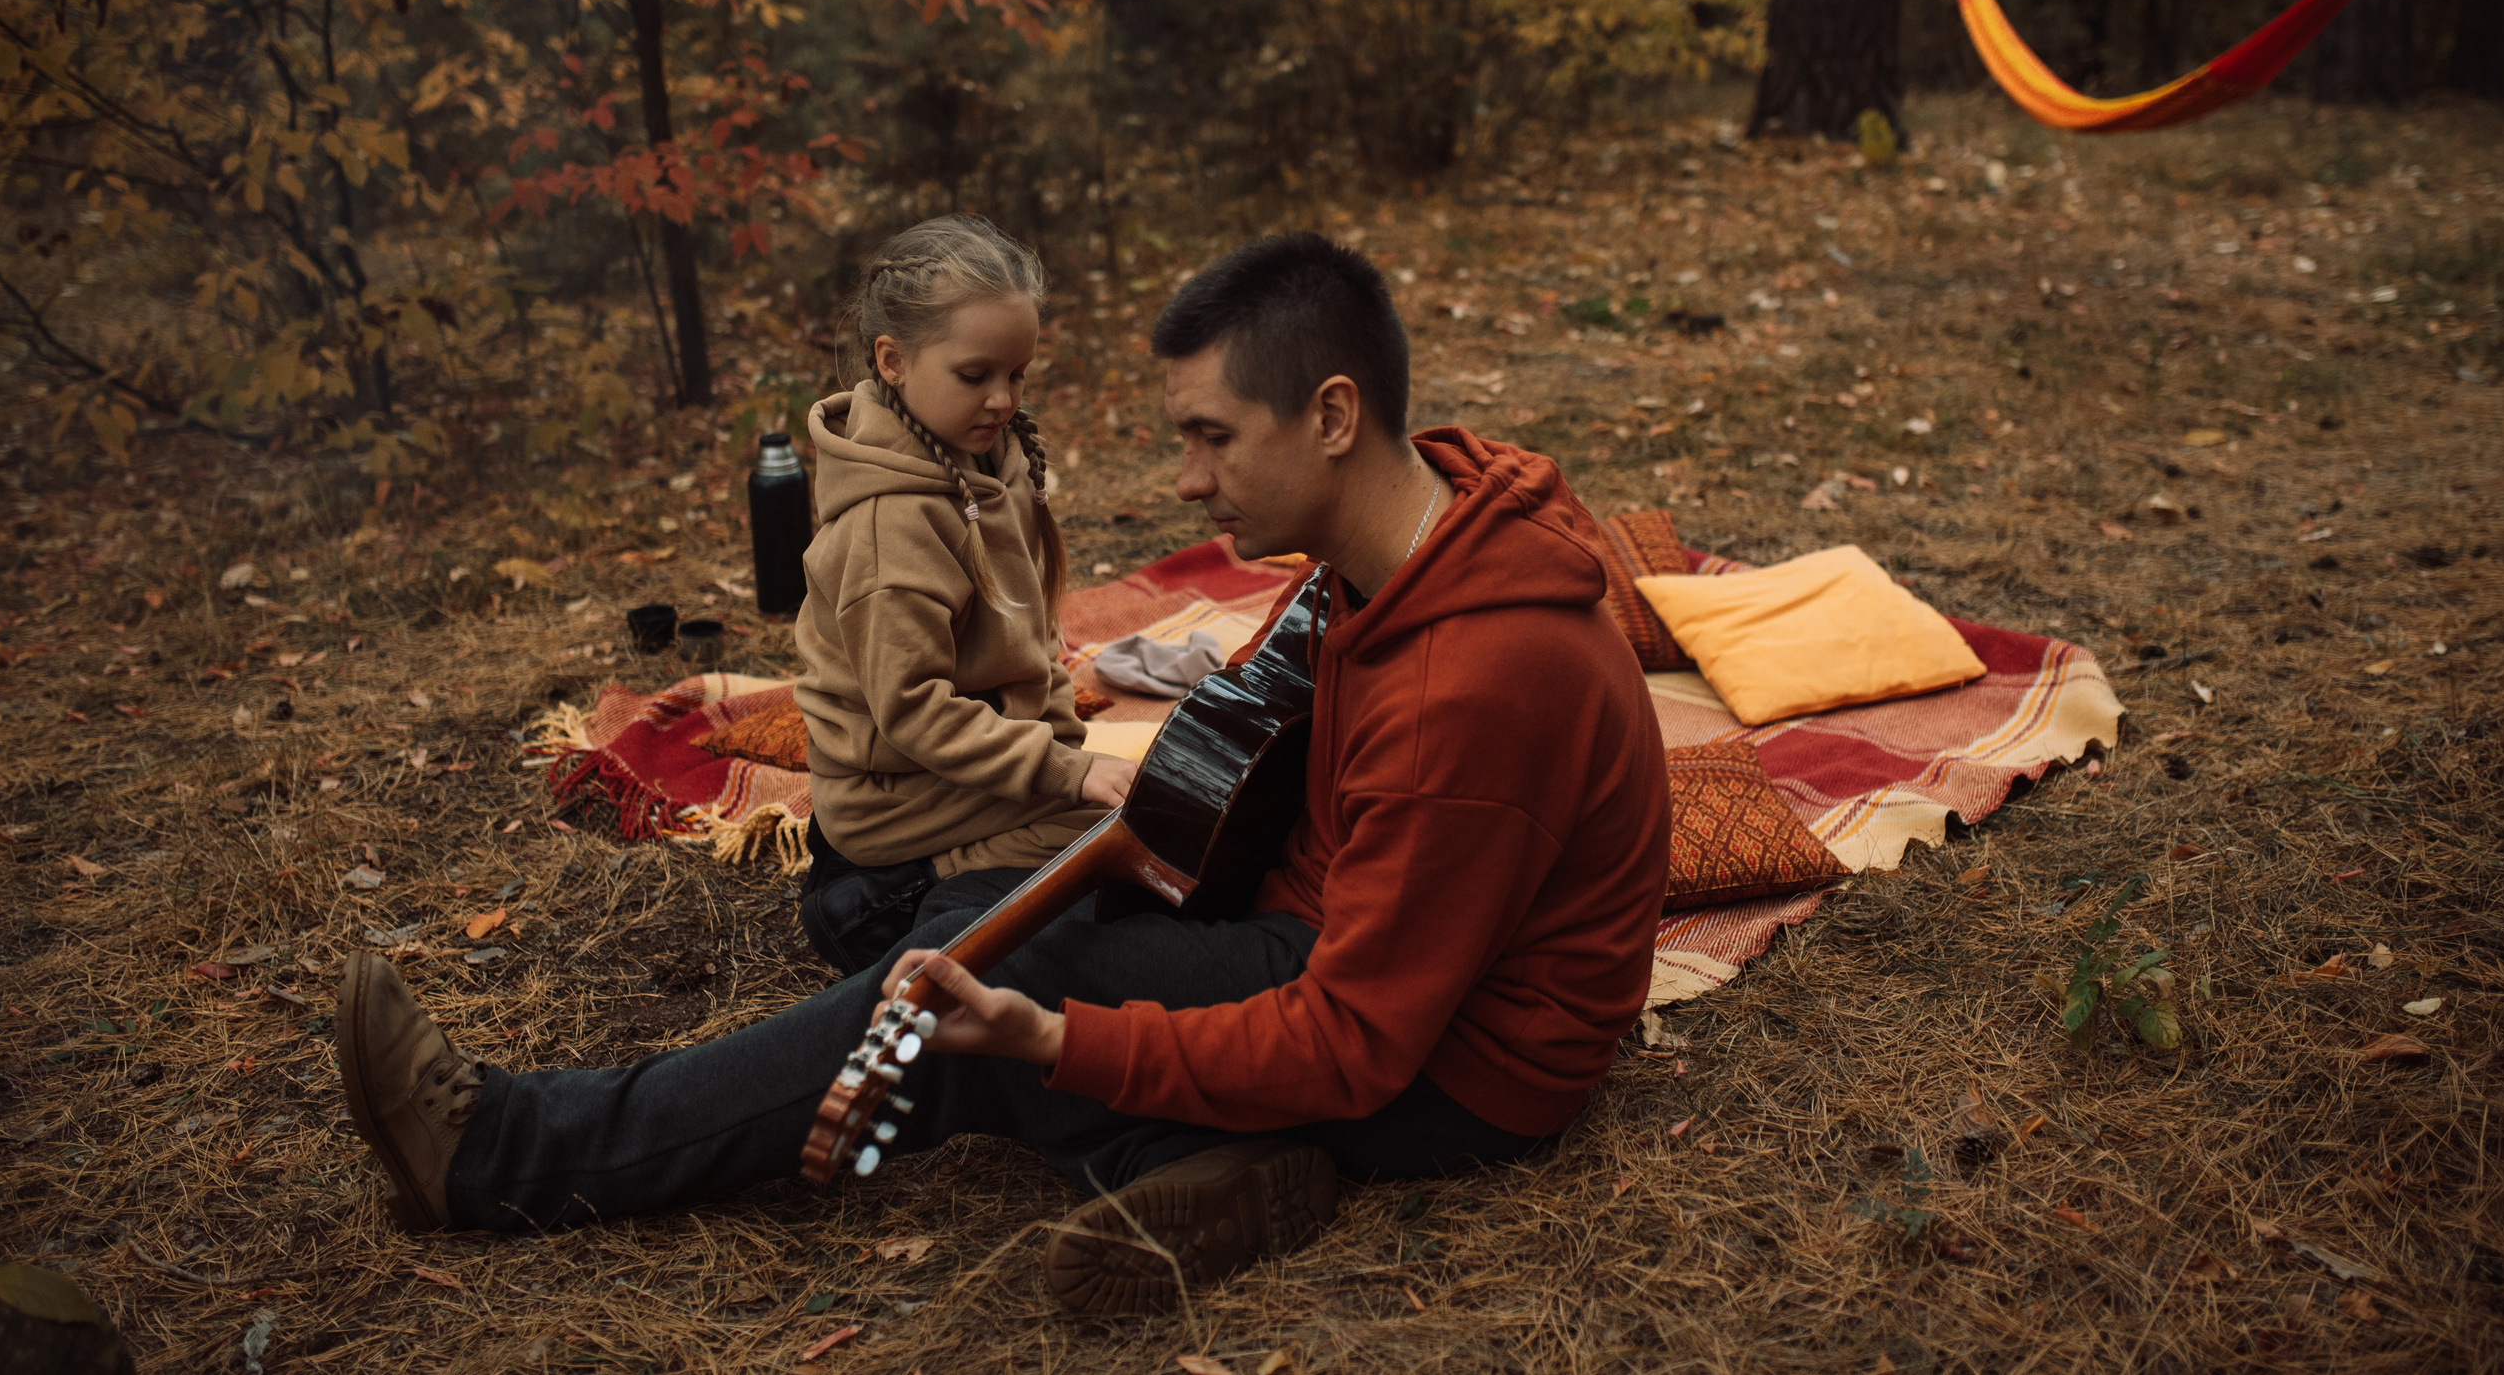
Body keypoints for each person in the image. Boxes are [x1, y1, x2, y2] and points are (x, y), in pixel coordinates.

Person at [334, 232, 1668, 1315]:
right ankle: (1200, 1152)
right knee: (962, 910)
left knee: (1005, 989)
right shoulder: (1422, 516)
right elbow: (1261, 744)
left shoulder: (1475, 689)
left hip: (1455, 1068)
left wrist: (1064, 1036)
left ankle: (511, 1148)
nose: (1187, 477)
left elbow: (1360, 1037)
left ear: (1333, 414)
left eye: (1211, 437)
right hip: (1326, 923)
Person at [788, 214, 1136, 974]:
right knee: (1104, 844)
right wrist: (1064, 774)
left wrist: (1064, 750)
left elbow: (1028, 633)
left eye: (1018, 374)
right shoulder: (893, 526)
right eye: (976, 375)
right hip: (894, 813)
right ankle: (916, 915)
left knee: (1132, 814)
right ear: (895, 361)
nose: (1004, 398)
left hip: (969, 764)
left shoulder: (987, 458)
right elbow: (912, 709)